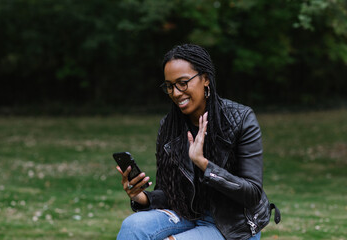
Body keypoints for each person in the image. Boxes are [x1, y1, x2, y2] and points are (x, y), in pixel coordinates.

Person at [116, 44, 280, 240]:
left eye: (183, 83)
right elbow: (169, 193)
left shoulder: (241, 119)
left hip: (233, 224)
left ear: (205, 79)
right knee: (132, 227)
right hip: (187, 213)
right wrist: (140, 197)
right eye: (169, 86)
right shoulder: (170, 126)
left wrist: (203, 164)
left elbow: (252, 194)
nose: (176, 93)